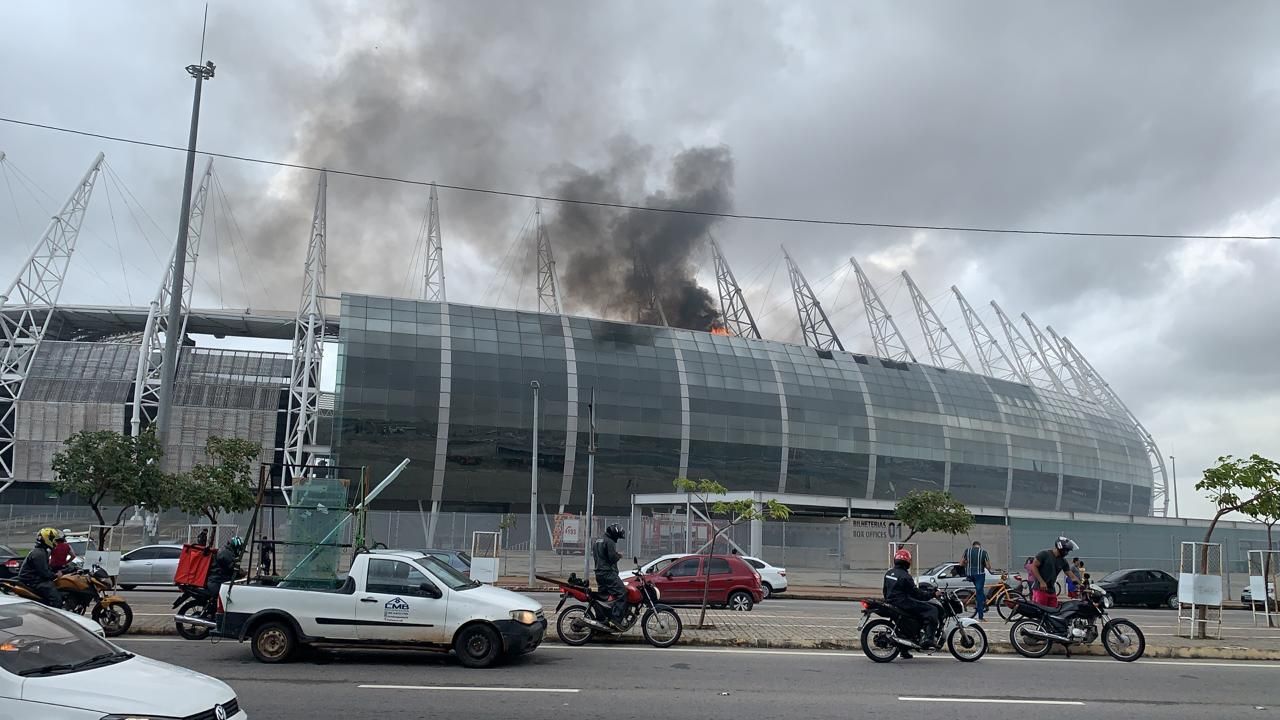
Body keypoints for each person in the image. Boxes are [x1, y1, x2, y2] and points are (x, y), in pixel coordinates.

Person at [883, 548, 940, 657]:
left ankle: (904, 650)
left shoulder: (889, 573)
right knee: (932, 610)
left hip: (891, 602)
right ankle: (928, 639)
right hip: (903, 603)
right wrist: (932, 594)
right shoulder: (906, 576)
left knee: (907, 623)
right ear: (907, 562)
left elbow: (885, 591)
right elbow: (917, 594)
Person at [592, 524, 627, 628]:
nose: (617, 539)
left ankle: (602, 621)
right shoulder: (610, 541)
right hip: (608, 573)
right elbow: (611, 558)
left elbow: (600, 556)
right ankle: (615, 620)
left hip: (599, 573)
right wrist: (619, 555)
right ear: (614, 534)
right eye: (618, 537)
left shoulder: (598, 541)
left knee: (604, 599)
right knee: (622, 593)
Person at [1031, 537, 1082, 608]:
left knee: (1054, 612)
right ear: (1060, 548)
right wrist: (1041, 581)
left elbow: (1071, 575)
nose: (1067, 553)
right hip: (1040, 589)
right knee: (1040, 611)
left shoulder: (1063, 561)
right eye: (1066, 550)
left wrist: (1081, 585)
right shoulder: (1044, 554)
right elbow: (1033, 566)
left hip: (1051, 590)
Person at [19, 528, 62, 608]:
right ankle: (54, 617)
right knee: (57, 600)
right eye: (54, 540)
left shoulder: (41, 551)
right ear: (47, 539)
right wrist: (55, 575)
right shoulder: (39, 553)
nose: (55, 542)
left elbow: (46, 568)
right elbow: (45, 573)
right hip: (34, 581)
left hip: (33, 579)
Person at [959, 540, 992, 621]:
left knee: (979, 591)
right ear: (979, 546)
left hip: (970, 574)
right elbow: (988, 566)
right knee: (979, 595)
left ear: (973, 545)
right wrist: (983, 565)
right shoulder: (984, 552)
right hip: (979, 575)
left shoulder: (967, 551)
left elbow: (961, 564)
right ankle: (981, 616)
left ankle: (985, 602)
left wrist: (967, 563)